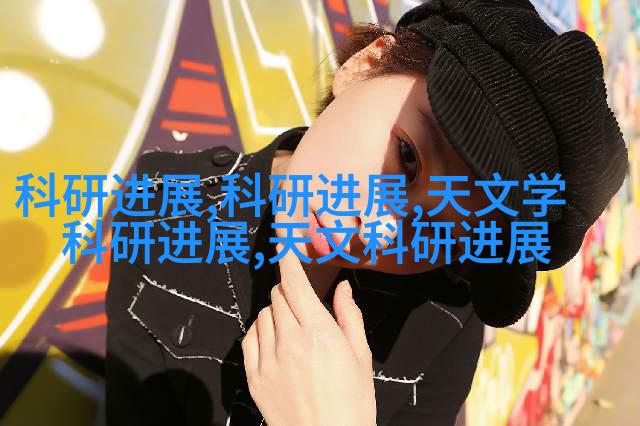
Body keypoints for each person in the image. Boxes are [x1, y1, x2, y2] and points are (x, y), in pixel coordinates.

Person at [105, 1, 629, 425]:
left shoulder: (442, 323)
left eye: (438, 234)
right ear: (366, 64)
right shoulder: (162, 206)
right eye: (408, 159)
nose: (377, 230)